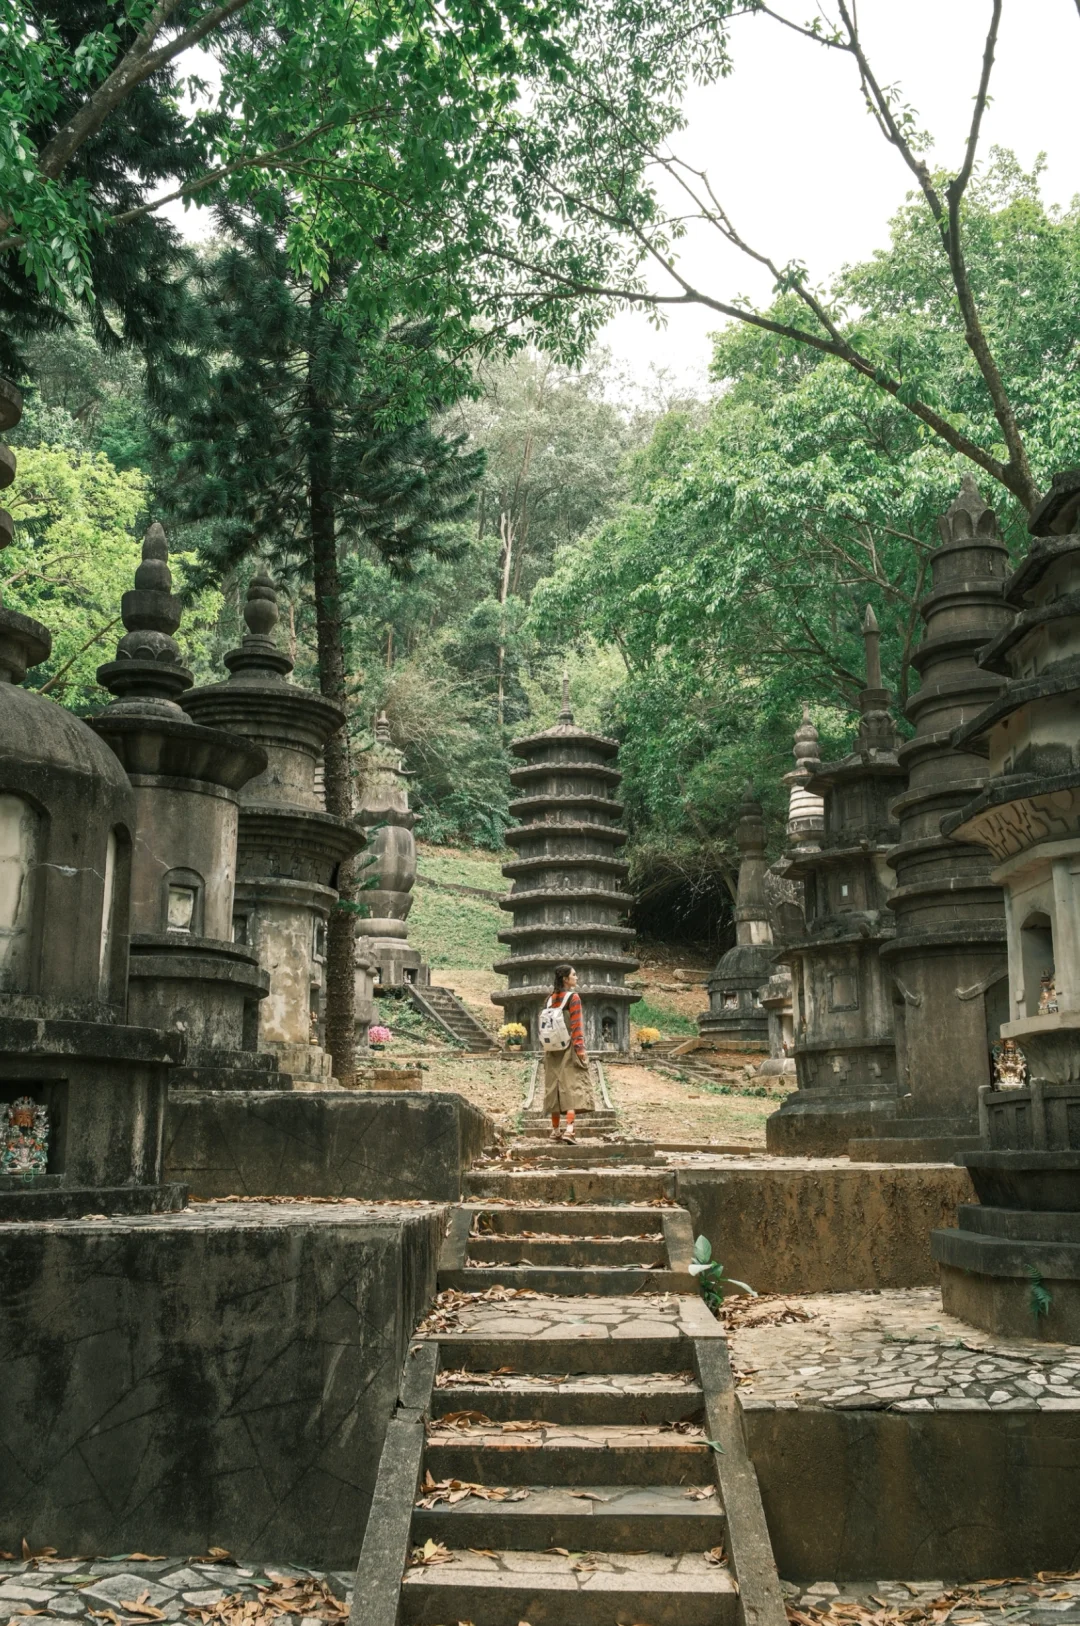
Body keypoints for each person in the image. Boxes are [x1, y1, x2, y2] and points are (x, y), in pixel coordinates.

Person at [542, 963, 592, 1141]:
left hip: (551, 1049)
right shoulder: (573, 998)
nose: (576, 978)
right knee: (571, 1086)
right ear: (565, 979)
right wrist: (580, 1049)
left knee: (553, 1087)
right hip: (568, 1047)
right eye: (574, 975)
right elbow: (576, 1026)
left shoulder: (549, 998)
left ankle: (555, 1130)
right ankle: (570, 1129)